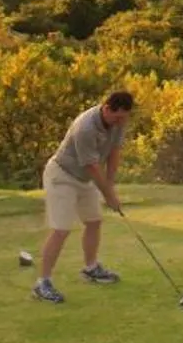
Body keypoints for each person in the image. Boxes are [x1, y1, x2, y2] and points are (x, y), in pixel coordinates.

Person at [32, 90, 134, 304]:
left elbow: (114, 152)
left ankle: (91, 269)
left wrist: (111, 186)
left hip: (85, 178)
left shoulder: (118, 122)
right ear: (106, 108)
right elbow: (92, 166)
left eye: (124, 118)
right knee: (61, 229)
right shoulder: (85, 127)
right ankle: (43, 283)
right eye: (117, 117)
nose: (120, 122)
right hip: (62, 176)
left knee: (94, 221)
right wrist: (107, 194)